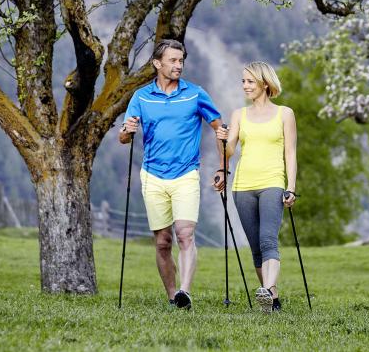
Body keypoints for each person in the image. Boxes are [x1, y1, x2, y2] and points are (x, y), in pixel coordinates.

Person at [120, 39, 222, 310]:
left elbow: (219, 126)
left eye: (181, 61)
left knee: (185, 234)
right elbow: (123, 137)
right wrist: (127, 130)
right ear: (157, 64)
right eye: (173, 61)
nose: (178, 66)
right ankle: (172, 295)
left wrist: (223, 165)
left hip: (186, 173)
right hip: (152, 175)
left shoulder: (195, 94)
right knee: (163, 241)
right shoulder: (141, 97)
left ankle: (185, 292)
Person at [213, 61, 297, 313]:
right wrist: (221, 140)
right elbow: (228, 153)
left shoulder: (285, 114)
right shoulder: (239, 114)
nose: (245, 86)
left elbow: (290, 153)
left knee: (268, 239)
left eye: (250, 81)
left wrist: (290, 187)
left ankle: (267, 290)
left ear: (265, 83)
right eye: (243, 81)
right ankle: (272, 299)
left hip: (272, 182)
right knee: (256, 248)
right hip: (242, 186)